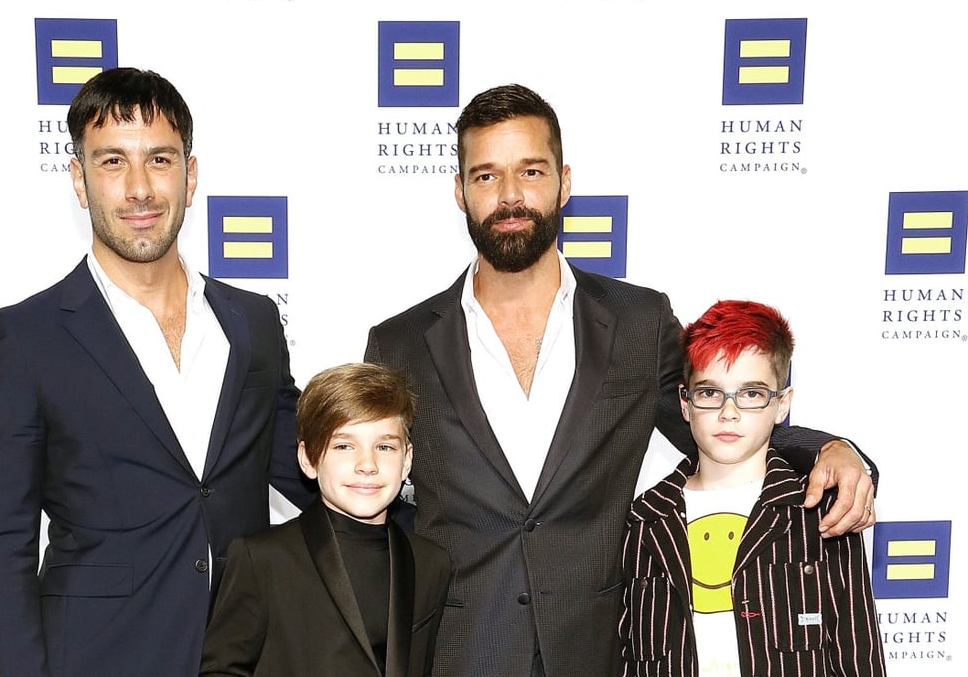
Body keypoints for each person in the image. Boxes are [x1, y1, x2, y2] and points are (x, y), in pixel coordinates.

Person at [363, 84, 878, 676]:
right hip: (457, 654)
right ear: (459, 190)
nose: (510, 195)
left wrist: (830, 449)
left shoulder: (637, 322)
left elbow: (715, 417)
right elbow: (357, 482)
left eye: (531, 171)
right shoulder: (399, 344)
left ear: (564, 182)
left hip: (600, 650)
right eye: (486, 176)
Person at [0, 67, 315, 677]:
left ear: (190, 175)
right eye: (112, 162)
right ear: (79, 180)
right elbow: (0, 547)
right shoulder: (24, 339)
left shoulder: (253, 322)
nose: (139, 189)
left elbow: (310, 471)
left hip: (243, 657)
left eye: (159, 159)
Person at [619, 300, 886, 676]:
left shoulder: (818, 512)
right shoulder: (643, 521)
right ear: (684, 403)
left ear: (782, 404)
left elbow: (858, 650)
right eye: (709, 393)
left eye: (751, 394)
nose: (728, 412)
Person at [200, 362, 453, 677]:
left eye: (384, 446)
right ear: (308, 459)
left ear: (406, 460)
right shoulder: (262, 559)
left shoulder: (431, 563)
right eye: (344, 446)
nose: (367, 464)